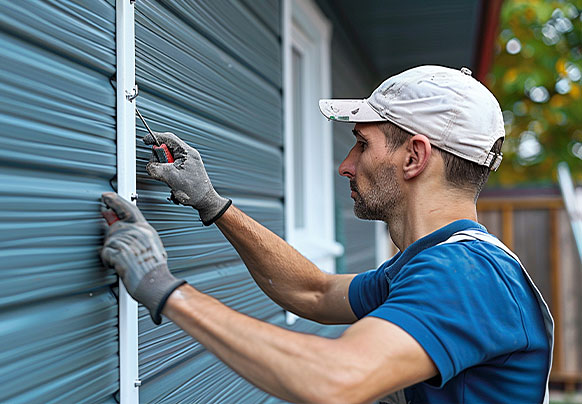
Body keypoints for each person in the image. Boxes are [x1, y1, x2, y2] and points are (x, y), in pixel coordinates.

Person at [101, 65, 553, 404]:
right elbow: (313, 292)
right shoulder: (433, 262)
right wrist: (212, 203)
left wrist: (163, 288)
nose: (346, 165)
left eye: (362, 143)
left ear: (415, 157)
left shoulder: (465, 276)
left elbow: (334, 379)